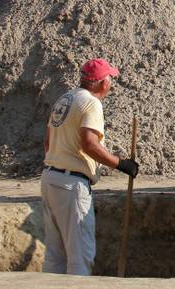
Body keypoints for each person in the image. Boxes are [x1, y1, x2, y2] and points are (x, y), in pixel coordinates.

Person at [42, 58, 139, 275]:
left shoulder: (65, 99)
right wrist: (121, 164)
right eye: (110, 79)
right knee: (80, 257)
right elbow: (89, 143)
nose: (111, 84)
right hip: (71, 184)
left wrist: (59, 163)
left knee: (55, 257)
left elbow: (48, 142)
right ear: (102, 82)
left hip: (50, 179)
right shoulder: (91, 103)